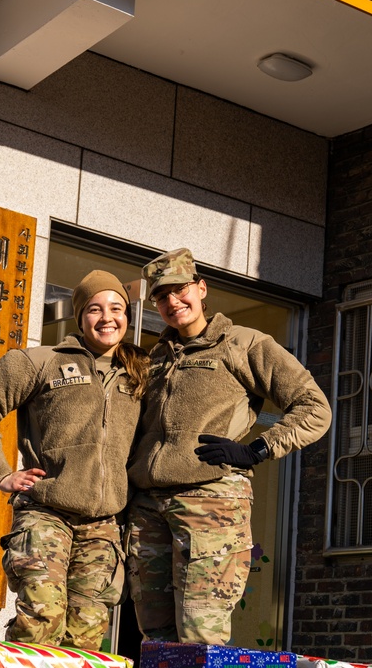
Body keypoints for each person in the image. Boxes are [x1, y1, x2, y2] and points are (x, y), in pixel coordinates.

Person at [126, 248, 331, 645]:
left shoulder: (243, 343)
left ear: (201, 288)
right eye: (161, 296)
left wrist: (256, 450)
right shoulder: (156, 358)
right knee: (156, 637)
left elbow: (314, 408)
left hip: (211, 505)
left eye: (180, 289)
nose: (172, 302)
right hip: (150, 508)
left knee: (201, 633)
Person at [0, 270, 147, 650]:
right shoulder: (41, 362)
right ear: (79, 317)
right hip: (47, 513)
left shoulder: (138, 374)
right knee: (41, 619)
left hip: (104, 526)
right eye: (95, 309)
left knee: (88, 634)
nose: (107, 317)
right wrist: (0, 474)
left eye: (116, 308)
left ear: (127, 317)